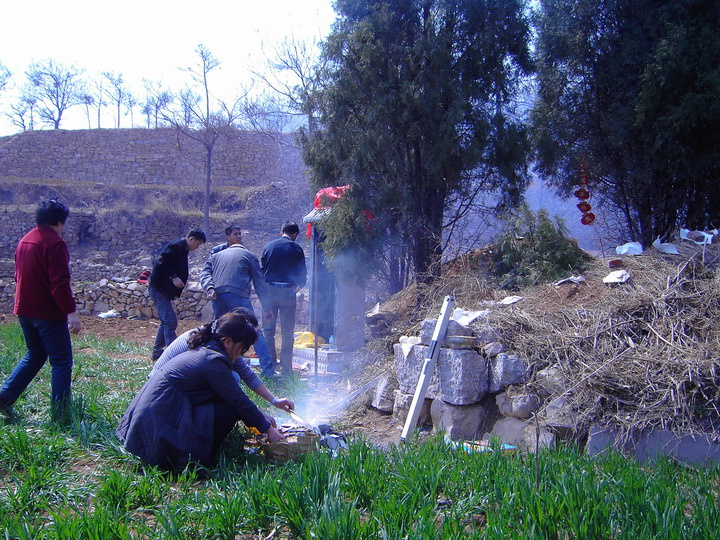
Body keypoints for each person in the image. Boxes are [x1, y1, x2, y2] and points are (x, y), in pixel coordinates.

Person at [116, 311, 284, 470]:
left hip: (158, 412)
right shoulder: (213, 361)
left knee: (227, 404)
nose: (242, 354)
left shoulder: (208, 350)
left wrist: (261, 416)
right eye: (243, 348)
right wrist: (268, 430)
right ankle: (189, 459)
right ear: (228, 342)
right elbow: (237, 401)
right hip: (159, 418)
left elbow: (234, 396)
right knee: (228, 411)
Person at [0, 198, 82, 423]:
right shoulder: (54, 243)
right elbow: (59, 283)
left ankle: (4, 396)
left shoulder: (25, 240)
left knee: (35, 355)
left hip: (24, 309)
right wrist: (71, 312)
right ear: (58, 221)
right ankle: (61, 414)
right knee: (62, 361)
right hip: (47, 312)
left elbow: (18, 276)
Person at [149, 307, 295, 412]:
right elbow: (231, 392)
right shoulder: (209, 349)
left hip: (169, 388)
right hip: (163, 393)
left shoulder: (221, 340)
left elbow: (247, 374)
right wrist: (259, 417)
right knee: (231, 380)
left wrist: (274, 400)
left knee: (234, 377)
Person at [199, 231, 276, 378]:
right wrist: (267, 307)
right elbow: (260, 283)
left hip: (218, 296)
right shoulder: (249, 256)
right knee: (254, 332)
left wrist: (209, 287)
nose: (239, 236)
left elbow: (205, 273)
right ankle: (269, 372)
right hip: (238, 296)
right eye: (236, 234)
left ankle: (214, 367)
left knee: (219, 331)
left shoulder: (216, 256)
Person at [148, 229, 206, 361]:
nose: (197, 247)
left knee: (165, 322)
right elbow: (161, 263)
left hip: (163, 290)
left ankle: (157, 352)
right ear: (191, 239)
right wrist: (173, 277)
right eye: (197, 244)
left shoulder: (183, 249)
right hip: (158, 288)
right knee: (170, 321)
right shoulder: (175, 246)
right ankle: (174, 353)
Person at [261, 221, 307, 377]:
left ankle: (270, 367)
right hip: (287, 292)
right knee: (287, 332)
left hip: (269, 292)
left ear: (282, 232)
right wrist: (294, 290)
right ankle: (286, 368)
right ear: (294, 234)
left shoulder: (269, 247)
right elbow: (302, 277)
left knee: (268, 331)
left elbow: (262, 271)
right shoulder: (296, 248)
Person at [200, 225, 243, 317]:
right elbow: (206, 271)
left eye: (240, 234)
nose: (239, 236)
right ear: (228, 237)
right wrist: (209, 287)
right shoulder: (217, 251)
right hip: (220, 293)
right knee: (220, 322)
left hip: (238, 293)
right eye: (235, 234)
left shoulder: (243, 251)